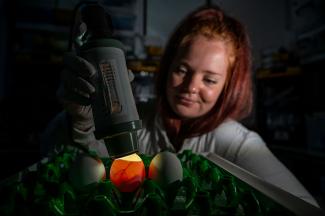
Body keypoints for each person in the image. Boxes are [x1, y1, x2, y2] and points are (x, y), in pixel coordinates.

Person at [41, 5, 319, 207]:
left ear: (229, 86)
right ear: (167, 66)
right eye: (182, 70)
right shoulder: (132, 116)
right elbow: (52, 154)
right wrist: (80, 120)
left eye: (209, 79)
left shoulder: (237, 142)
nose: (190, 87)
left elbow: (303, 206)